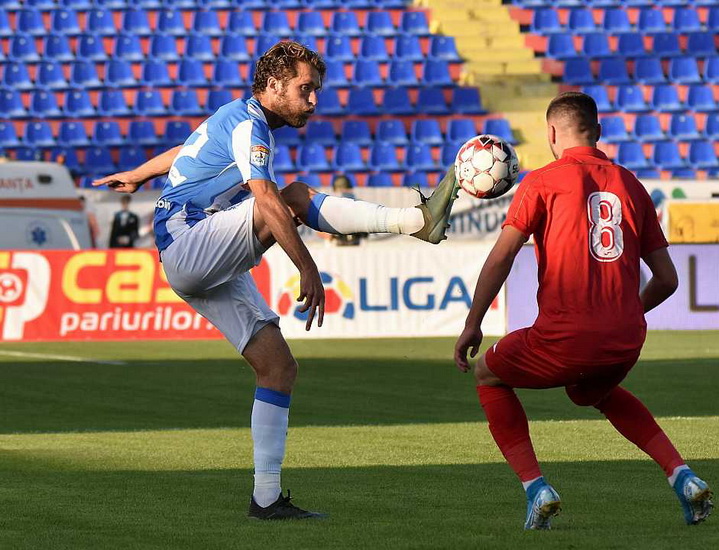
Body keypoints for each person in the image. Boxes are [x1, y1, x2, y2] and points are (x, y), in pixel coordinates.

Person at [93, 41, 460, 520]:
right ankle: (414, 221)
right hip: (189, 241)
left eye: (315, 91)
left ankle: (265, 499)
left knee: (278, 368)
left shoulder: (237, 119)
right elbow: (266, 201)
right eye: (305, 89)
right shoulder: (249, 123)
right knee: (293, 196)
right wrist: (307, 266)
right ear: (273, 84)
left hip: (194, 259)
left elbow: (191, 149)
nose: (312, 100)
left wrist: (140, 174)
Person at [454, 92, 713, 530]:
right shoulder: (631, 184)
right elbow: (667, 279)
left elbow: (501, 257)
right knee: (590, 391)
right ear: (599, 131)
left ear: (552, 134)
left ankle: (537, 488)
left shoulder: (542, 182)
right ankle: (682, 475)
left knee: (487, 374)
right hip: (626, 338)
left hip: (565, 337)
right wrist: (628, 311)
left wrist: (472, 323)